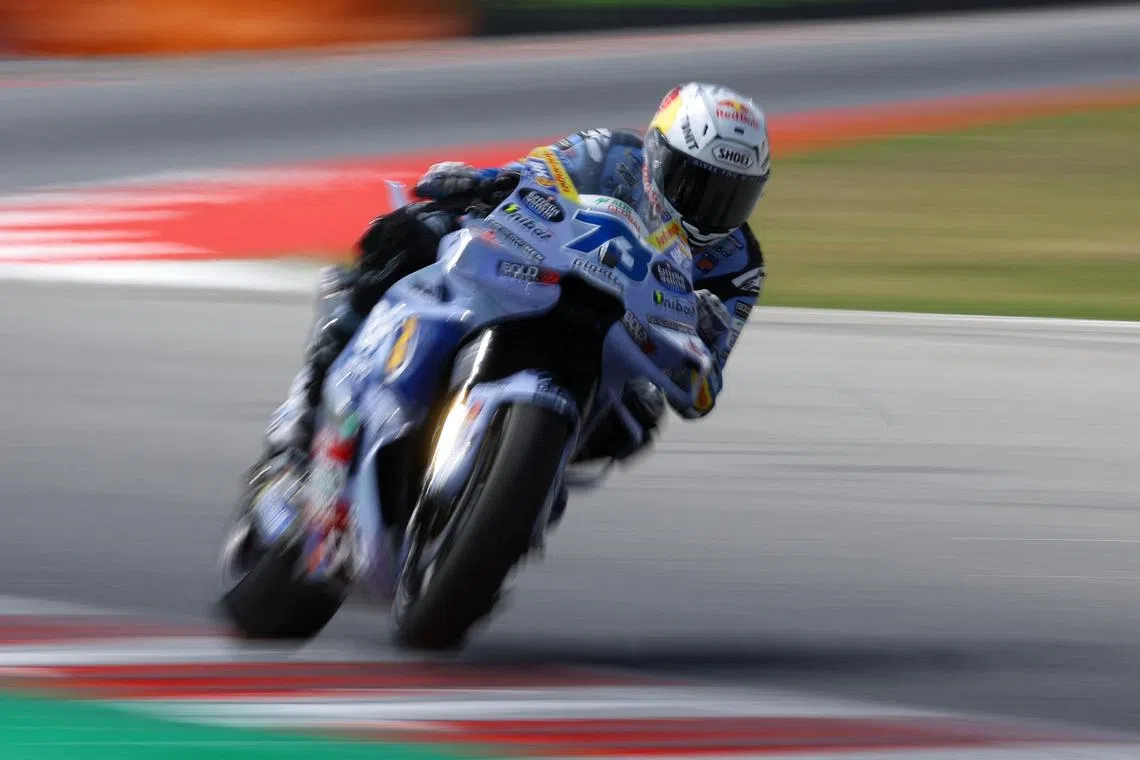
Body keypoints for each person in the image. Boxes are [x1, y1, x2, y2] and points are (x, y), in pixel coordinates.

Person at [255, 82, 770, 507]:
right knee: (412, 233)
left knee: (637, 421)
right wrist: (476, 182)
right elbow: (530, 174)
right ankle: (306, 406)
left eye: (731, 195)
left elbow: (701, 392)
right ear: (657, 154)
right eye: (695, 182)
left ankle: (524, 483)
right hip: (537, 274)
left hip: (619, 347)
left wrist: (704, 334)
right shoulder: (610, 153)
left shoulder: (739, 265)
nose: (709, 207)